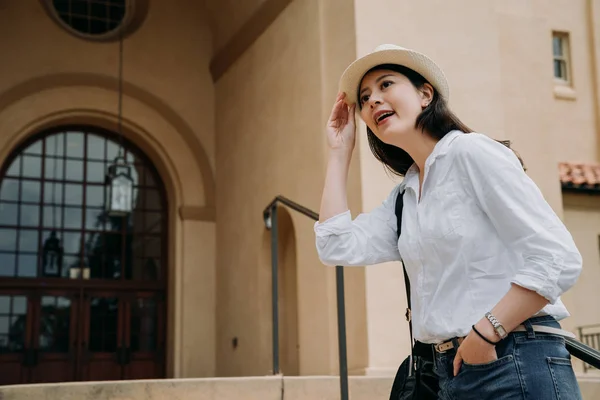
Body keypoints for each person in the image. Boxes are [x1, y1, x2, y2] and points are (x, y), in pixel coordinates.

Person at [314, 44, 584, 399]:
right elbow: (334, 245)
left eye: (385, 85)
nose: (373, 101)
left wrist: (487, 333)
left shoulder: (471, 153)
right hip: (449, 372)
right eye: (364, 98)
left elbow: (558, 256)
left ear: (426, 94)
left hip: (512, 358)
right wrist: (338, 154)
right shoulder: (404, 198)